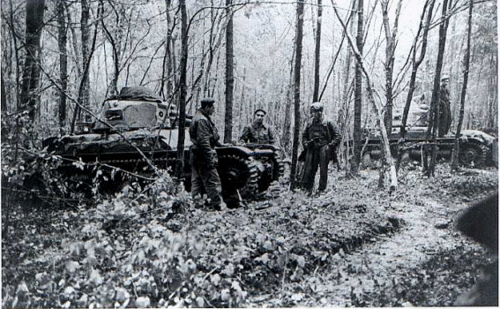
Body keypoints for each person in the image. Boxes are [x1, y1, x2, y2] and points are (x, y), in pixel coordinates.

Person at [189, 98, 224, 210]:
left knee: (197, 182)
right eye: (212, 107)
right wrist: (210, 159)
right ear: (207, 107)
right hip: (203, 155)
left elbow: (208, 137)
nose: (214, 109)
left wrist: (220, 145)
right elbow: (204, 142)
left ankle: (196, 206)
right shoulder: (202, 120)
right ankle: (218, 206)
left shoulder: (200, 117)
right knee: (213, 181)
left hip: (197, 154)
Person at [299, 102, 341, 194]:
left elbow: (338, 136)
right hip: (312, 147)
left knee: (323, 169)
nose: (313, 114)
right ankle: (308, 188)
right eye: (312, 112)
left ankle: (321, 189)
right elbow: (304, 135)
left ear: (320, 112)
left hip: (324, 147)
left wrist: (330, 146)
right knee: (310, 168)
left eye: (315, 112)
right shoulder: (310, 122)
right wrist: (305, 143)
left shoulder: (329, 122)